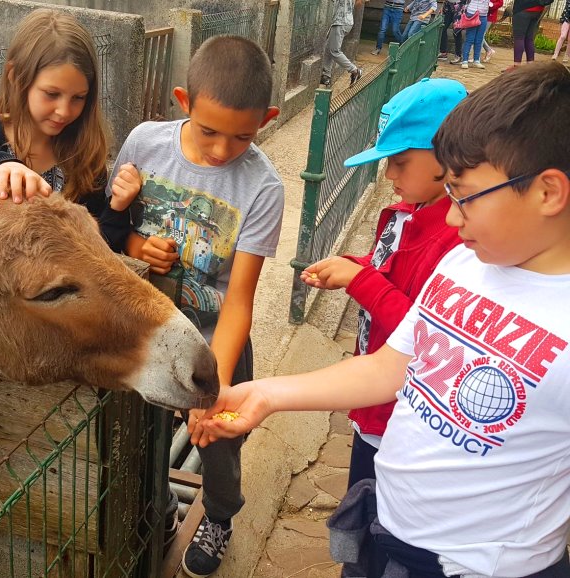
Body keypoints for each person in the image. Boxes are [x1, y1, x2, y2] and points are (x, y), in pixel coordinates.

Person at [192, 62, 570, 578]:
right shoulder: (467, 263)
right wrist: (267, 394)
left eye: (466, 195)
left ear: (548, 192)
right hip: (387, 526)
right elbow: (393, 367)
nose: (453, 217)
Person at [112, 35, 283, 577]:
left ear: (268, 119)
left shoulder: (263, 187)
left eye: (241, 136)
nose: (219, 149)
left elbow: (239, 299)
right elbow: (115, 231)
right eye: (209, 131)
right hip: (146, 334)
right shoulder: (144, 143)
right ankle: (155, 505)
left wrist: (217, 386)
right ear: (183, 100)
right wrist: (139, 248)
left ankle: (220, 515)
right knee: (138, 433)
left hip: (216, 342)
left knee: (219, 443)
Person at [306, 77, 465, 577]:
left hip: (399, 415)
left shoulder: (457, 243)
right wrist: (352, 267)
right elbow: (386, 270)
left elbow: (421, 335)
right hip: (370, 406)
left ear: (448, 157)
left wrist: (360, 280)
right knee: (359, 517)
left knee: (381, 534)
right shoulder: (400, 213)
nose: (389, 173)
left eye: (400, 162)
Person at [0, 9, 135, 253]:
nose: (64, 111)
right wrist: (4, 165)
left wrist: (118, 208)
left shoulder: (84, 160)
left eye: (78, 98)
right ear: (16, 76)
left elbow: (101, 249)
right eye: (52, 94)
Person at [321, 0, 364, 87]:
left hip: (340, 21)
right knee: (328, 47)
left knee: (334, 51)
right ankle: (326, 76)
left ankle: (355, 71)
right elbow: (359, 3)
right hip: (345, 20)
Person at [510, 0, 551, 70]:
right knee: (529, 38)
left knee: (519, 38)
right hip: (538, 9)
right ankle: (531, 65)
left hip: (523, 8)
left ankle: (516, 66)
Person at [460, 0, 489, 69]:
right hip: (472, 13)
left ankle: (476, 60)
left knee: (479, 39)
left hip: (483, 15)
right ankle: (465, 60)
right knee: (469, 39)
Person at [441, 0, 467, 64]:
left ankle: (458, 55)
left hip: (459, 7)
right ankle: (443, 52)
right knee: (442, 28)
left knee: (456, 32)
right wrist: (443, 6)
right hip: (448, 6)